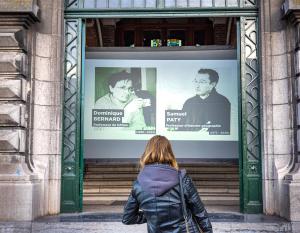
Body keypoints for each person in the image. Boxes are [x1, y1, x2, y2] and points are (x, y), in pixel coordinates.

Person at [122, 135, 213, 233]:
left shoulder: (138, 185)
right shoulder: (182, 179)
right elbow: (200, 213)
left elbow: (128, 218)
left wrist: (153, 216)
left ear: (147, 153)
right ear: (169, 152)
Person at [181, 68, 230, 134]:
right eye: (196, 81)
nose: (197, 86)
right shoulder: (189, 102)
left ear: (213, 84)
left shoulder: (223, 102)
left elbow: (225, 130)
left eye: (202, 82)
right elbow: (181, 127)